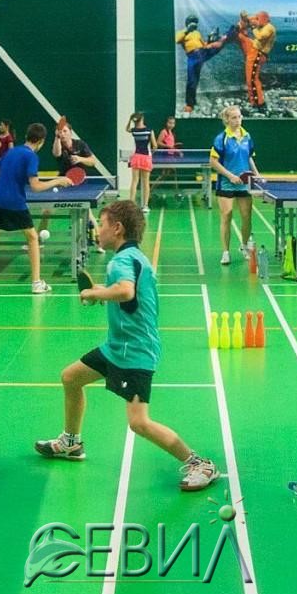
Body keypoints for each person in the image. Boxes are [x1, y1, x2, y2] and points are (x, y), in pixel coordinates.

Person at [34, 200, 219, 492]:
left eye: (102, 224)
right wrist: (101, 291)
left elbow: (125, 291)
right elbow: (128, 294)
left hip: (135, 352)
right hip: (117, 346)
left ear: (117, 228)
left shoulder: (120, 261)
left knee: (139, 422)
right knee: (71, 377)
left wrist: (95, 294)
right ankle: (71, 442)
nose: (98, 230)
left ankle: (200, 463)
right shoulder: (134, 257)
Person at [0, 123, 71, 295]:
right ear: (41, 141)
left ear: (26, 136)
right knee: (32, 238)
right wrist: (58, 180)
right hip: (15, 202)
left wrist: (4, 185)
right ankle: (36, 283)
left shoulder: (11, 151)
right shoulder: (31, 156)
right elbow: (36, 186)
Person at [209, 106, 259, 265]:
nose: (238, 120)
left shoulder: (247, 136)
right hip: (226, 184)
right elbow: (213, 162)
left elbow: (249, 157)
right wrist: (230, 176)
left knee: (246, 216)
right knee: (226, 215)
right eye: (234, 118)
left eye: (239, 117)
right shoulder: (221, 138)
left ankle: (244, 246)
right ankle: (225, 252)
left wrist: (256, 174)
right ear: (227, 120)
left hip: (244, 183)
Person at [52, 120, 104, 253]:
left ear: (70, 132)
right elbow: (56, 153)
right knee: (47, 210)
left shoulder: (80, 144)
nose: (63, 134)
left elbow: (93, 161)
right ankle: (38, 240)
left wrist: (80, 159)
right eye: (60, 132)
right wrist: (56, 138)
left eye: (65, 131)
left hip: (79, 182)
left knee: (87, 212)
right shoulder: (58, 144)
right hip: (63, 181)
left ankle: (100, 242)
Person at [175, 15, 233, 113]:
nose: (195, 24)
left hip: (202, 52)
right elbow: (176, 40)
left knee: (219, 44)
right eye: (193, 22)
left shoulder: (197, 33)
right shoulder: (182, 32)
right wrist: (187, 30)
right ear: (188, 23)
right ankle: (190, 104)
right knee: (192, 81)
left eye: (195, 22)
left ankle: (230, 33)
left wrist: (210, 41)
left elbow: (204, 45)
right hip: (193, 57)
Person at [232, 10, 276, 109]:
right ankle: (220, 40)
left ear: (263, 19)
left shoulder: (270, 28)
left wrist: (253, 27)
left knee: (251, 79)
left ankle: (259, 103)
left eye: (257, 18)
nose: (255, 19)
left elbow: (260, 36)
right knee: (239, 35)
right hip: (253, 47)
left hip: (258, 53)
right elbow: (248, 21)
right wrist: (243, 19)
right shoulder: (260, 22)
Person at [126, 112, 157, 213]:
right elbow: (155, 145)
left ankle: (131, 205)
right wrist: (152, 152)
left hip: (136, 157)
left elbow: (127, 129)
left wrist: (130, 120)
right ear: (142, 118)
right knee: (146, 182)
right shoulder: (149, 130)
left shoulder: (134, 131)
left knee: (134, 181)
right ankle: (145, 206)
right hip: (146, 157)